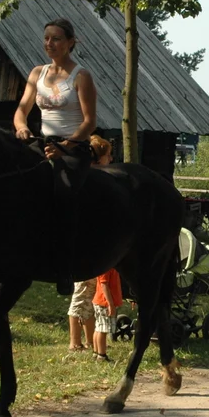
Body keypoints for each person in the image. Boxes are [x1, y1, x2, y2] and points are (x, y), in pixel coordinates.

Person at [12, 18, 99, 294]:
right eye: (47, 38)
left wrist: (66, 146)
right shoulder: (37, 73)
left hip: (74, 147)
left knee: (64, 195)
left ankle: (65, 266)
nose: (50, 43)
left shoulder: (81, 76)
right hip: (41, 143)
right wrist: (23, 127)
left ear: (71, 42)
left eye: (56, 39)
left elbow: (89, 122)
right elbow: (21, 110)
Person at [65, 136, 114, 352]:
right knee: (79, 302)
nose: (111, 159)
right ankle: (75, 342)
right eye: (108, 156)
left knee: (87, 304)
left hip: (90, 252)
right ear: (98, 157)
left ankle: (86, 340)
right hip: (86, 252)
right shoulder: (90, 179)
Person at [92, 265, 122, 362]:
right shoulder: (105, 267)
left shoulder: (112, 266)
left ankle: (96, 352)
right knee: (103, 330)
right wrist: (110, 304)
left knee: (98, 327)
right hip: (104, 303)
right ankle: (102, 355)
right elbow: (103, 284)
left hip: (100, 301)